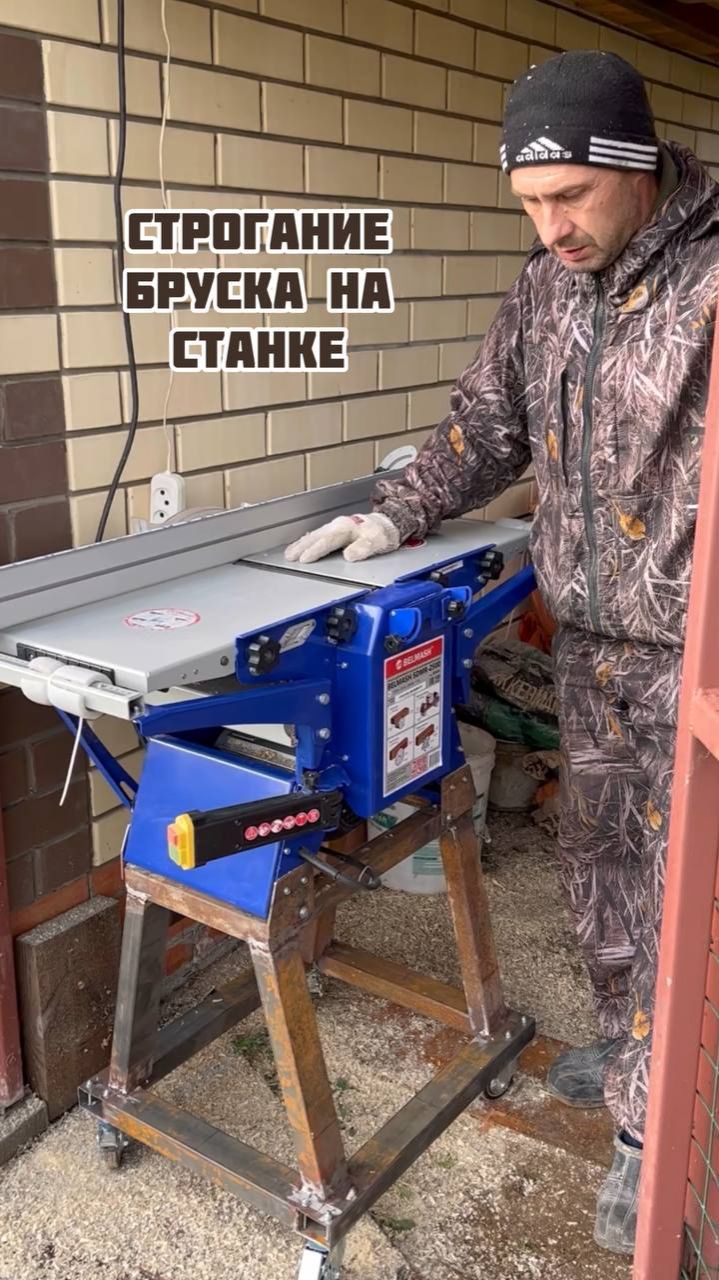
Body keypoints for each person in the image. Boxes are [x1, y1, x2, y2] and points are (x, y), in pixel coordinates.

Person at [286, 49, 719, 1254]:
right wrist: (395, 510)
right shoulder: (546, 286)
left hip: (691, 661)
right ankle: (631, 1051)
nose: (549, 226)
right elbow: (486, 424)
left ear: (637, 167)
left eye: (568, 195)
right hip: (588, 645)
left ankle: (657, 1127)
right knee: (601, 870)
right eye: (529, 203)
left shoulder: (708, 279)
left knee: (687, 896)